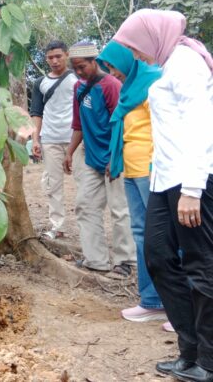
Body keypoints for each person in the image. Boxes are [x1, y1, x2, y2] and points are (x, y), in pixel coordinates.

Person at [114, 9, 213, 381]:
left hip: (192, 181)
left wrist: (192, 189)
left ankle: (208, 359)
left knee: (201, 266)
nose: (136, 55)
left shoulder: (187, 62)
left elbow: (203, 125)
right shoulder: (169, 62)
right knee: (157, 256)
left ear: (152, 36)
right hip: (163, 179)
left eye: (136, 46)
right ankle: (189, 351)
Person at [97, 41, 168, 324]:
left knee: (166, 238)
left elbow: (165, 128)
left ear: (128, 60)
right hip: (131, 169)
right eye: (109, 69)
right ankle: (151, 300)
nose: (113, 73)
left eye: (114, 67)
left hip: (154, 172)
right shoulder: (129, 89)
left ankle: (180, 306)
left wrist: (157, 167)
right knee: (141, 234)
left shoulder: (155, 83)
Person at [63, 42, 136, 279]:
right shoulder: (78, 87)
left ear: (95, 61)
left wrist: (115, 157)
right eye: (75, 68)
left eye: (82, 66)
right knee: (85, 205)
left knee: (119, 209)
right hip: (92, 158)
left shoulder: (111, 85)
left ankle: (126, 261)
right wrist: (69, 152)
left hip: (114, 159)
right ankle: (96, 260)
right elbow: (78, 124)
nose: (80, 72)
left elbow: (123, 123)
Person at [30, 40, 80, 239]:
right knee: (53, 184)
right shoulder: (40, 83)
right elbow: (36, 113)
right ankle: (57, 226)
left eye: (58, 56)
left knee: (84, 181)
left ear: (66, 55)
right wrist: (35, 140)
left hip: (75, 138)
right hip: (50, 139)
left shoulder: (78, 79)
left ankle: (88, 225)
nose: (55, 60)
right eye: (50, 57)